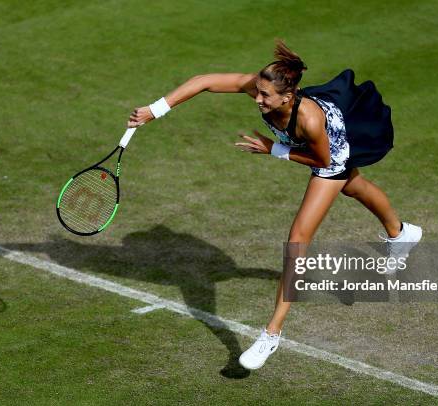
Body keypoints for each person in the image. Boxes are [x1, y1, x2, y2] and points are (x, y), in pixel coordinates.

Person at [127, 40, 422, 371]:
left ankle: (271, 333)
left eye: (265, 96)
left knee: (298, 239)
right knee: (354, 188)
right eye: (257, 91)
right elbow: (205, 81)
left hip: (327, 154)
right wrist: (156, 109)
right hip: (315, 141)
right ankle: (401, 234)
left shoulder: (309, 120)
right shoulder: (265, 89)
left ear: (288, 96)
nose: (257, 99)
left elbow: (323, 161)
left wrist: (275, 150)